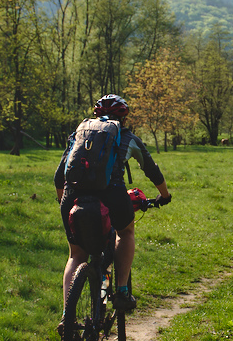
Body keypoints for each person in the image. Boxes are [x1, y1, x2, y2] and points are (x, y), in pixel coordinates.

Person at [54, 94, 171, 315]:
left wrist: (63, 200)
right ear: (124, 118)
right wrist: (164, 195)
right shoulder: (127, 137)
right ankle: (122, 291)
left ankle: (66, 315)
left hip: (73, 195)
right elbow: (152, 170)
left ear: (95, 115)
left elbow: (59, 176)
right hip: (111, 193)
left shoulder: (78, 135)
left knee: (76, 255)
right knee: (125, 232)